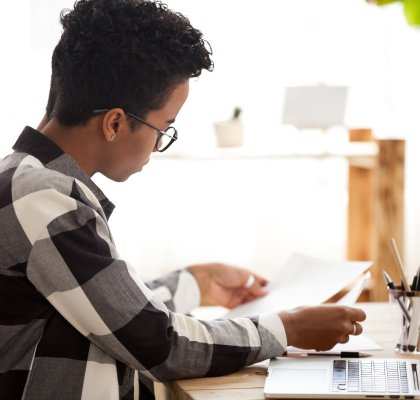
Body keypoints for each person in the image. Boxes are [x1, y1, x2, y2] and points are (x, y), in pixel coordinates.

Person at [0, 1, 366, 399]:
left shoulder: (24, 180)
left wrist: (196, 282)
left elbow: (106, 309)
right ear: (115, 123)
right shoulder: (44, 199)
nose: (159, 145)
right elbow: (158, 343)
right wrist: (287, 329)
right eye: (164, 128)